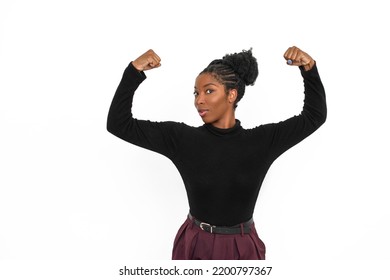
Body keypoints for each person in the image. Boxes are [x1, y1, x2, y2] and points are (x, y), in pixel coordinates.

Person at [107, 46, 327, 260]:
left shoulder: (262, 142)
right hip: (194, 244)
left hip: (241, 248)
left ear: (232, 95)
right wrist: (134, 71)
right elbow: (118, 124)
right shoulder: (181, 138)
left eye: (209, 91)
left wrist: (309, 69)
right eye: (196, 92)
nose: (198, 100)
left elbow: (314, 116)